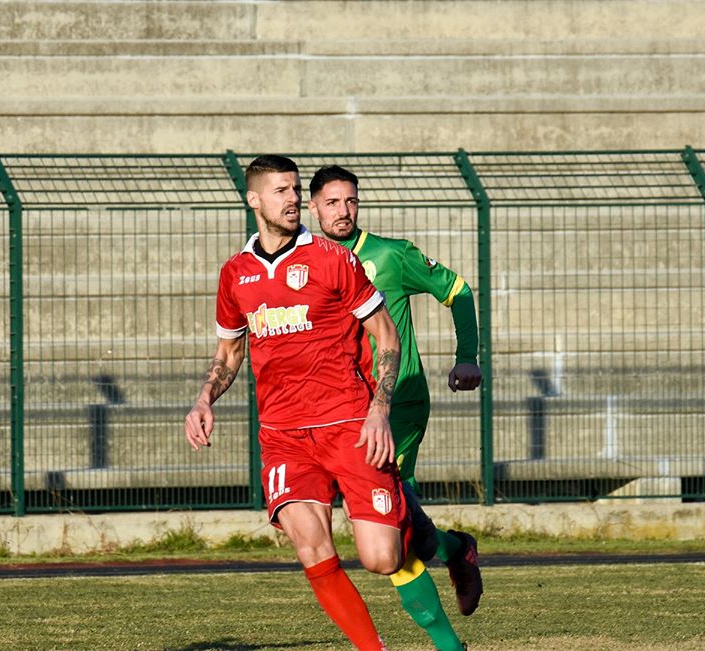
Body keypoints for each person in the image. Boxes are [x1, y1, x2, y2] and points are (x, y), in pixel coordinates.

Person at [185, 155, 409, 651]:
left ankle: (428, 532)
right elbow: (230, 350)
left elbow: (386, 335)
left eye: (294, 190)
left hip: (350, 422)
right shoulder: (236, 273)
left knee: (381, 559)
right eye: (281, 191)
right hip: (284, 435)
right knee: (311, 546)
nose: (292, 199)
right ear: (254, 199)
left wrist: (379, 410)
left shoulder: (333, 259)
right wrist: (204, 397)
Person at [309, 165, 484, 651]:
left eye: (350, 202)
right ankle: (455, 550)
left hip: (399, 402)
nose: (343, 212)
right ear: (314, 207)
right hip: (345, 411)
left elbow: (458, 291)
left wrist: (467, 357)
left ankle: (450, 644)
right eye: (332, 203)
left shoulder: (390, 255)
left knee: (390, 526)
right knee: (396, 526)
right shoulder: (308, 263)